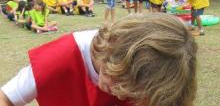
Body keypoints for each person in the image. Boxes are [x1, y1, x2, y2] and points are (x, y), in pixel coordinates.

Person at [0, 13, 198, 106]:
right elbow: (5, 98)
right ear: (114, 56)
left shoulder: (162, 78)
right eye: (119, 82)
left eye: (133, 94)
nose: (121, 97)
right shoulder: (61, 58)